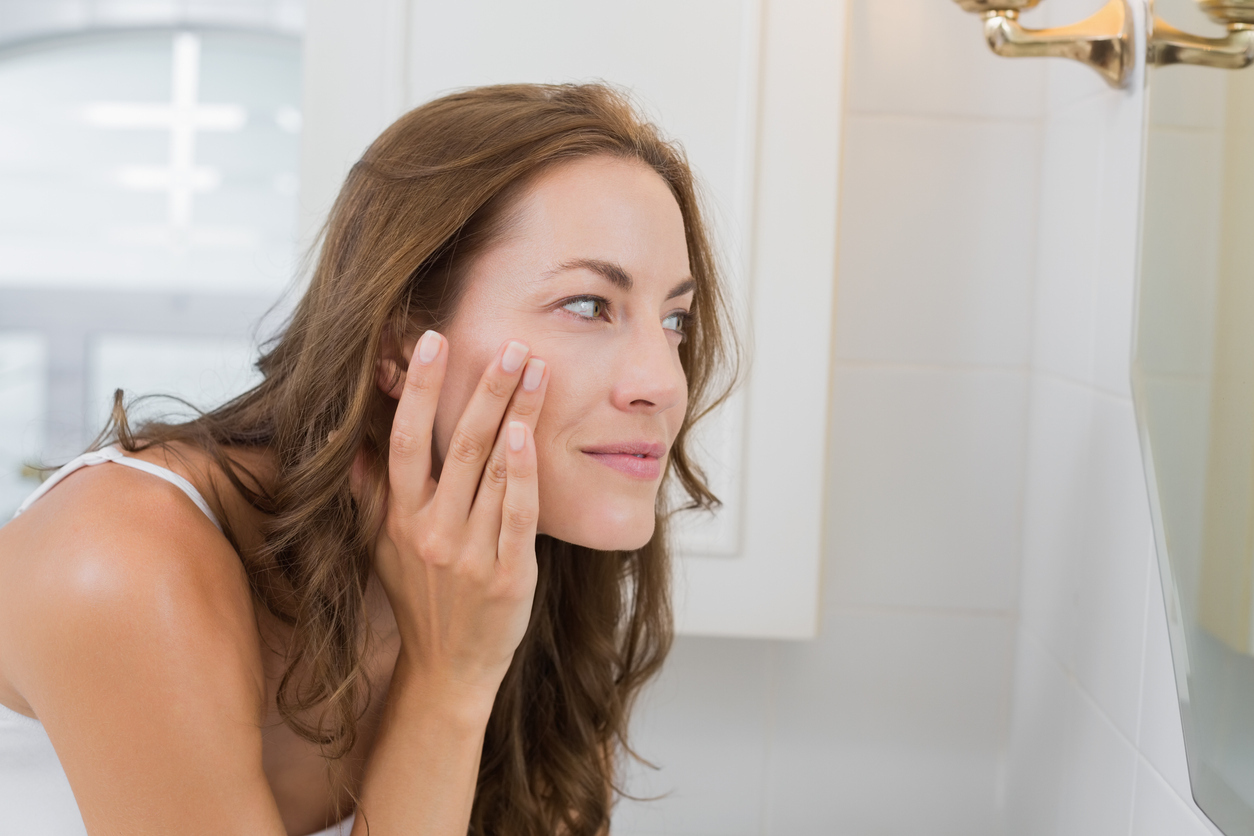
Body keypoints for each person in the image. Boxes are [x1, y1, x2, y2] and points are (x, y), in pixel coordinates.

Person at [0, 82, 739, 836]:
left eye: (674, 318)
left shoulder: (508, 574)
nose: (662, 383)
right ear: (399, 341)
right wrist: (447, 685)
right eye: (587, 306)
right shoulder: (123, 558)